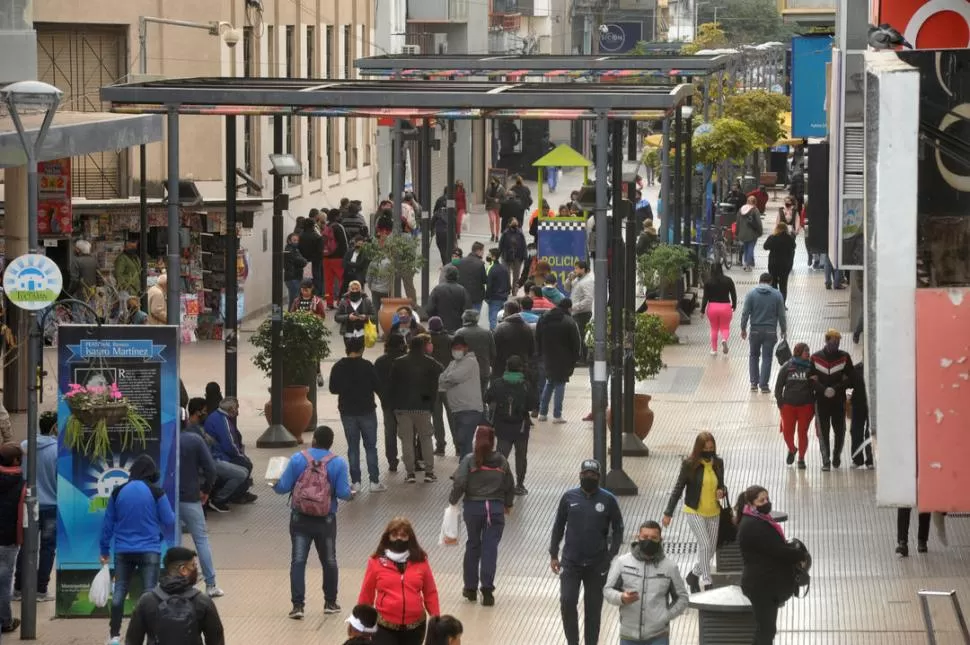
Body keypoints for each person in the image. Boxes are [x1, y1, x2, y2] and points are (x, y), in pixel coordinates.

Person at [272, 425, 354, 619]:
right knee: (329, 560)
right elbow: (343, 493)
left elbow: (282, 488)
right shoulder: (338, 463)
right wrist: (351, 494)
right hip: (325, 520)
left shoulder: (298, 458)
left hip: (300, 518)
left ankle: (298, 606)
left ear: (314, 439)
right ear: (331, 443)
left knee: (298, 561)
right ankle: (330, 602)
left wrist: (274, 483)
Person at [100, 455, 176, 644]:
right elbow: (169, 520)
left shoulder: (118, 492)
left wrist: (104, 549)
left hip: (123, 550)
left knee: (119, 591)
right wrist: (157, 534)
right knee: (150, 594)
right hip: (149, 549)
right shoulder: (156, 492)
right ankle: (151, 638)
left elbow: (107, 524)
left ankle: (114, 635)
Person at [550, 459, 624, 645]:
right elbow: (558, 526)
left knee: (593, 609)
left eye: (593, 475)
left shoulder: (608, 499)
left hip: (597, 564)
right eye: (586, 474)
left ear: (599, 477)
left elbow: (618, 528)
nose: (589, 477)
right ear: (580, 475)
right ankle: (572, 642)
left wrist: (611, 555)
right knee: (567, 602)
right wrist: (553, 553)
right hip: (571, 562)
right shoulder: (568, 497)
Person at [449, 426, 515, 606]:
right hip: (494, 509)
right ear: (493, 442)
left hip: (473, 508)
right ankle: (487, 591)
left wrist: (452, 501)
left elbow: (460, 482)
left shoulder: (470, 460)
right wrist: (508, 504)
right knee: (490, 548)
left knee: (473, 545)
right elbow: (510, 484)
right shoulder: (501, 461)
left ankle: (470, 588)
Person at [735, 485, 807, 645]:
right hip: (760, 586)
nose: (766, 502)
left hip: (764, 584)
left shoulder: (757, 520)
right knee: (766, 630)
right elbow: (777, 550)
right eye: (761, 500)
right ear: (751, 504)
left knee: (767, 629)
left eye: (767, 498)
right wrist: (799, 554)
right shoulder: (754, 525)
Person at [603, 520, 689, 645]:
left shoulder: (670, 567)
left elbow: (682, 598)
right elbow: (608, 590)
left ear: (660, 539)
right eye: (645, 537)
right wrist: (621, 597)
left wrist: (666, 616)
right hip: (629, 635)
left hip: (659, 635)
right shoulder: (622, 563)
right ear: (638, 538)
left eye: (654, 538)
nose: (649, 540)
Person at [661, 432, 726, 593]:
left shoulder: (718, 463)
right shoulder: (689, 464)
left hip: (714, 511)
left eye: (711, 448)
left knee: (710, 550)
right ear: (699, 448)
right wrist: (668, 513)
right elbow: (678, 488)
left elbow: (722, 485)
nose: (709, 451)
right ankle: (707, 580)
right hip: (694, 510)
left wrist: (721, 491)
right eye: (705, 448)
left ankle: (693, 575)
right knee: (704, 544)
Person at [358, 517, 440, 644]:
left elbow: (430, 591)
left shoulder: (421, 560)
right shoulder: (375, 561)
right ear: (388, 537)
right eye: (394, 535)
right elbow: (366, 594)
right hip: (384, 627)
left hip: (415, 628)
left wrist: (436, 617)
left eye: (403, 535)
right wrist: (360, 622)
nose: (399, 539)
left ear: (410, 538)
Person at [124, 546, 225, 645]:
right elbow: (216, 640)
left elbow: (132, 640)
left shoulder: (147, 600)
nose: (197, 571)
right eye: (193, 566)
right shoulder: (202, 601)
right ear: (183, 570)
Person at [178, 398, 223, 597]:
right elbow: (211, 468)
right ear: (186, 420)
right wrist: (205, 490)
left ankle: (171, 582)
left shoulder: (162, 439)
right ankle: (211, 584)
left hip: (166, 499)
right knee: (201, 539)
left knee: (170, 539)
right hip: (190, 496)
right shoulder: (193, 440)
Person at [330, 337, 386, 493]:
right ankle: (374, 482)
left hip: (347, 412)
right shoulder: (367, 366)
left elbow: (333, 389)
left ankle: (356, 483)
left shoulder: (338, 367)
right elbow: (378, 386)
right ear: (362, 350)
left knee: (353, 448)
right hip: (367, 411)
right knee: (371, 447)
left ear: (346, 349)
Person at [14, 412, 57, 602]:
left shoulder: (25, 446)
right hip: (51, 506)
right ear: (55, 427)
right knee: (47, 548)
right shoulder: (58, 450)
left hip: (28, 504)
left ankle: (18, 588)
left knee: (25, 546)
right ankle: (40, 590)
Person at [390, 335, 444, 484]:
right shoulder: (429, 362)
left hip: (402, 407)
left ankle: (410, 473)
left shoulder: (398, 363)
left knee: (407, 440)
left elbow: (392, 385)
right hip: (423, 407)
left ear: (409, 346)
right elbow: (441, 369)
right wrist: (429, 402)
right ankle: (429, 472)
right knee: (426, 438)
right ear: (423, 347)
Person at [486, 355, 533, 495]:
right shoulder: (525, 384)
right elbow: (532, 404)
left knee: (501, 456)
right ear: (521, 368)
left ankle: (498, 484)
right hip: (521, 427)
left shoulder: (498, 383)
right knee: (521, 456)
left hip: (503, 426)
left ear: (506, 367)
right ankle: (519, 485)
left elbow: (487, 398)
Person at [810, 329, 855, 471]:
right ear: (827, 340)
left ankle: (836, 455)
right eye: (833, 340)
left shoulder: (844, 357)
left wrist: (837, 388)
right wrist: (823, 390)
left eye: (838, 341)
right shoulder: (815, 358)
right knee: (823, 432)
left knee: (840, 430)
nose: (836, 343)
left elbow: (851, 378)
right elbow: (810, 379)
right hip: (821, 401)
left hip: (838, 401)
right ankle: (825, 460)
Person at [203, 397, 255, 511]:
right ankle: (232, 495)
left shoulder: (218, 416)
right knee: (246, 465)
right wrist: (241, 455)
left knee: (245, 465)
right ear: (231, 409)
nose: (238, 412)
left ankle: (236, 493)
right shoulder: (222, 420)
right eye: (237, 409)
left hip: (219, 454)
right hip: (219, 456)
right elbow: (229, 444)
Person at [740, 273, 787, 393]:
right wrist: (783, 329)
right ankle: (764, 385)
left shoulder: (751, 294)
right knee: (767, 357)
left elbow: (745, 313)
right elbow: (781, 314)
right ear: (770, 282)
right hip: (770, 331)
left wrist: (743, 328)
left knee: (754, 356)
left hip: (755, 330)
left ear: (760, 281)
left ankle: (754, 384)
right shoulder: (777, 294)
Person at [536, 298, 581, 423]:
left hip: (547, 356)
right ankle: (557, 415)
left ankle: (542, 413)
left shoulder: (544, 318)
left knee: (549, 382)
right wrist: (575, 358)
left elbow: (537, 337)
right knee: (560, 384)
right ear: (568, 308)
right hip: (563, 358)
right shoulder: (569, 322)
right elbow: (575, 343)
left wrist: (540, 353)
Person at [438, 337, 483, 458]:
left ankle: (466, 470)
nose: (456, 351)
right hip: (457, 409)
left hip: (469, 409)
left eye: (459, 348)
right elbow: (441, 379)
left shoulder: (470, 362)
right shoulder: (453, 363)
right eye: (454, 349)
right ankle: (464, 468)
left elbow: (455, 377)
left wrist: (448, 379)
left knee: (464, 439)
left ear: (465, 348)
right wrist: (448, 379)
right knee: (462, 442)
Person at [774, 342, 816, 469]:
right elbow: (778, 387)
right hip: (788, 407)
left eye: (808, 350)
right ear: (798, 352)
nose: (808, 353)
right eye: (805, 351)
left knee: (802, 432)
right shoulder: (787, 367)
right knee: (787, 433)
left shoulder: (811, 368)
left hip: (806, 406)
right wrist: (780, 403)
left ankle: (801, 458)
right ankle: (792, 449)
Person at [0, 444, 24, 634]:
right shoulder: (22, 483)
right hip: (8, 540)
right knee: (4, 583)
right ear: (16, 461)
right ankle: (5, 621)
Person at [375, 334, 407, 472]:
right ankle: (410, 460)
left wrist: (382, 397)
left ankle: (392, 461)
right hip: (405, 402)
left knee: (390, 432)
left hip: (387, 403)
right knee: (407, 433)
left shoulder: (380, 361)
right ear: (402, 344)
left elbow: (375, 383)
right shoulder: (406, 360)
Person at [454, 309, 495, 396]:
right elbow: (493, 353)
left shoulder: (459, 333)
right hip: (483, 371)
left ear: (464, 320)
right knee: (481, 397)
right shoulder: (487, 333)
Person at [701, 263, 737, 356]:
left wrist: (702, 310)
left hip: (712, 307)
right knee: (725, 327)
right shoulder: (728, 280)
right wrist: (734, 305)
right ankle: (724, 339)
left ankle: (714, 350)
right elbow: (733, 294)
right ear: (721, 269)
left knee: (714, 329)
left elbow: (705, 297)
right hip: (725, 306)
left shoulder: (708, 282)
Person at [493, 300, 535, 380]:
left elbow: (494, 349)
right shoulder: (527, 327)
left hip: (502, 368)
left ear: (507, 312)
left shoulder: (500, 328)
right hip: (521, 367)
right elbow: (531, 349)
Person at [564, 260, 594, 364]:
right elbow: (567, 289)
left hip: (583, 313)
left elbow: (588, 299)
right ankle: (578, 356)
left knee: (580, 335)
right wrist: (569, 279)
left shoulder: (588, 281)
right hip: (575, 312)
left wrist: (574, 307)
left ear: (583, 269)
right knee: (577, 335)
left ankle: (582, 358)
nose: (575, 270)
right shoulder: (577, 279)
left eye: (577, 268)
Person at [427, 265, 472, 333]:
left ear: (446, 276)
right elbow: (467, 309)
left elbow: (429, 308)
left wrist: (435, 319)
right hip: (457, 326)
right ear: (457, 276)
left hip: (440, 326)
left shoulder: (437, 289)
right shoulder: (462, 290)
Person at [849, 360, 874, 469]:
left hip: (873, 404)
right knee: (855, 431)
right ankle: (857, 459)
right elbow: (848, 383)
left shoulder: (879, 368)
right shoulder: (856, 369)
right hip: (858, 403)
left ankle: (870, 459)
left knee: (870, 432)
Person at [763, 221, 796, 303]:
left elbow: (765, 246)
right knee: (783, 285)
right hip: (785, 264)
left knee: (773, 283)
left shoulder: (772, 237)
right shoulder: (789, 238)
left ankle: (774, 303)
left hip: (773, 264)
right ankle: (782, 304)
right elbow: (794, 247)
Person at [323, 209, 350, 308]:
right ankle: (340, 301)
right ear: (336, 217)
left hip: (326, 258)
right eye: (340, 215)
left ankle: (329, 302)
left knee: (328, 282)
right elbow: (344, 244)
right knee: (342, 281)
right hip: (338, 258)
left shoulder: (326, 226)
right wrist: (347, 257)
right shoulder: (339, 227)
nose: (341, 217)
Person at [456, 242, 488, 312]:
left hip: (462, 295)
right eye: (483, 251)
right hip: (476, 296)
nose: (483, 253)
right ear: (478, 251)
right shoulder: (480, 264)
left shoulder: (460, 262)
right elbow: (484, 280)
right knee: (474, 317)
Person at [484, 248, 510, 330]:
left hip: (494, 297)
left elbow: (489, 285)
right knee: (502, 318)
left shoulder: (491, 269)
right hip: (504, 296)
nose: (487, 256)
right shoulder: (504, 268)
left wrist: (487, 297)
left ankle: (494, 336)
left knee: (493, 319)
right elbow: (508, 283)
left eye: (489, 255)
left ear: (493, 257)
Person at [299, 213, 325, 296]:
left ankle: (306, 295)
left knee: (306, 280)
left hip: (304, 261)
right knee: (316, 278)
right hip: (315, 261)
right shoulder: (317, 237)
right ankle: (316, 295)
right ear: (313, 225)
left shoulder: (301, 236)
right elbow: (320, 251)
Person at [498, 217, 528, 288]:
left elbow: (524, 245)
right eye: (513, 222)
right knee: (506, 274)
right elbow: (501, 245)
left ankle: (514, 290)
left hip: (518, 257)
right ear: (509, 224)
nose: (515, 223)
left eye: (516, 222)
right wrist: (498, 255)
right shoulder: (505, 233)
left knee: (516, 275)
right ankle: (507, 289)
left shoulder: (520, 233)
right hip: (506, 256)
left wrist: (525, 256)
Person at [737, 196, 763, 271]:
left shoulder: (741, 209)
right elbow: (758, 222)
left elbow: (738, 222)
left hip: (742, 233)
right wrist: (760, 231)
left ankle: (745, 263)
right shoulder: (755, 210)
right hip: (752, 233)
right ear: (755, 202)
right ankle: (748, 265)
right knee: (751, 248)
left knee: (745, 248)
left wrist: (737, 232)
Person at [284, 232, 309, 306]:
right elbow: (301, 261)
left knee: (294, 298)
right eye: (294, 240)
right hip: (293, 277)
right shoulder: (290, 251)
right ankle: (292, 315)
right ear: (289, 241)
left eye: (297, 240)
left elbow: (302, 260)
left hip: (294, 276)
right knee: (295, 298)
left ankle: (291, 314)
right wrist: (304, 261)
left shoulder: (294, 250)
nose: (296, 242)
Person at [485, 176, 505, 242]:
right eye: (492, 181)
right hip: (490, 206)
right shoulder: (489, 187)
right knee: (492, 220)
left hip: (497, 207)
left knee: (497, 221)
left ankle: (497, 236)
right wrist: (494, 199)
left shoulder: (501, 189)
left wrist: (499, 201)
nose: (492, 182)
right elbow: (486, 196)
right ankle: (492, 234)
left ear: (497, 182)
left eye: (494, 181)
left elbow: (504, 199)